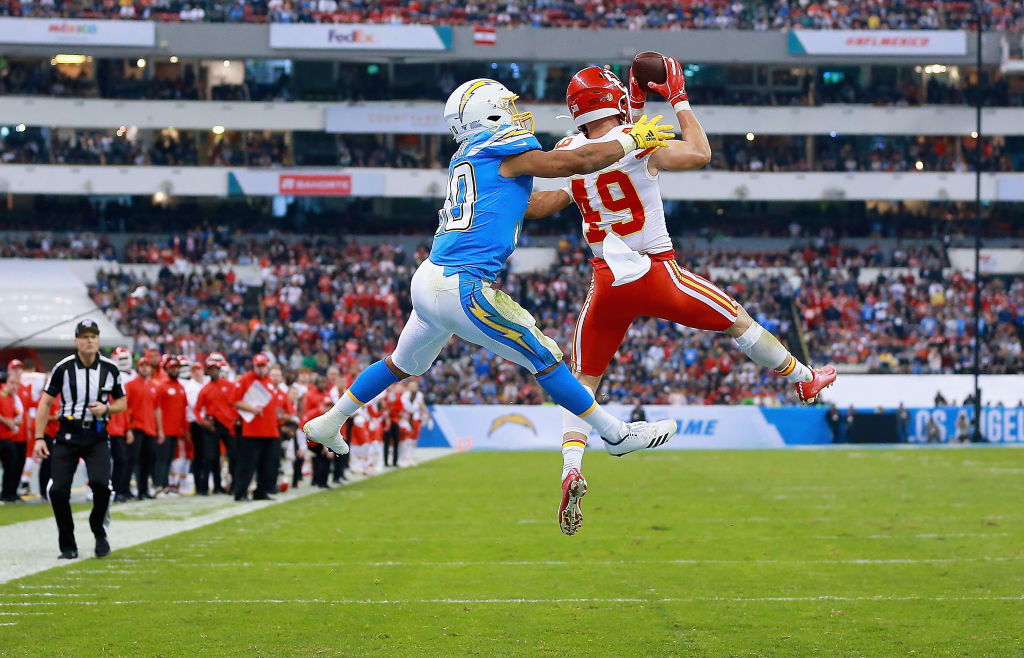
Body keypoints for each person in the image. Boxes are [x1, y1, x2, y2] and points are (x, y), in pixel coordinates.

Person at [523, 61, 836, 535]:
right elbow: (698, 153)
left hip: (607, 280)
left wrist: (498, 199)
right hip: (656, 271)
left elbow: (544, 204)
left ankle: (571, 466)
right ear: (610, 100)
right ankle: (804, 378)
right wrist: (679, 98)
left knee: (582, 380)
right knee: (738, 321)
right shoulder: (637, 141)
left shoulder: (569, 151)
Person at [303, 78, 680, 472]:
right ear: (490, 114)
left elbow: (529, 202)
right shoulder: (503, 147)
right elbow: (571, 162)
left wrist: (573, 192)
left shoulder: (469, 155)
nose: (516, 114)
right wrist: (630, 140)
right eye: (507, 106)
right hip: (461, 285)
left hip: (429, 277)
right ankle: (615, 433)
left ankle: (330, 420)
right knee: (545, 356)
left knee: (401, 363)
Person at [32, 319, 126, 559]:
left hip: (96, 435)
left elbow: (122, 402)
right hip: (68, 434)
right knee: (58, 490)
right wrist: (39, 437)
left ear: (98, 340)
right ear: (76, 341)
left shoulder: (110, 369)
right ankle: (68, 543)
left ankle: (99, 530)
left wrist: (106, 409)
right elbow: (45, 402)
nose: (89, 340)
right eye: (85, 336)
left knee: (101, 485)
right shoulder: (63, 368)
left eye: (93, 336)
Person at [232, 354, 279, 501]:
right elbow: (235, 400)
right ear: (254, 366)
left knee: (267, 465)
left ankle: (261, 491)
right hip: (252, 430)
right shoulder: (245, 379)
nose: (261, 369)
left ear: (267, 366)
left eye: (263, 366)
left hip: (269, 430)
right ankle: (240, 492)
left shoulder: (269, 381)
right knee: (247, 464)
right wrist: (252, 409)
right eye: (258, 366)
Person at [194, 355, 236, 495]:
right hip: (212, 425)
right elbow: (197, 410)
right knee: (209, 457)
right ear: (208, 371)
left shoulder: (229, 385)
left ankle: (234, 485)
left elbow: (236, 402)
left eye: (215, 369)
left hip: (228, 425)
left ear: (219, 370)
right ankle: (206, 487)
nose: (214, 372)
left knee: (233, 455)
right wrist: (203, 422)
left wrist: (235, 419)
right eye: (211, 369)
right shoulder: (205, 389)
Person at [124, 357, 161, 500]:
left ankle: (143, 490)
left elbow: (157, 408)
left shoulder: (154, 386)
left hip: (150, 428)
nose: (145, 368)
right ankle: (125, 490)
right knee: (132, 460)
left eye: (147, 365)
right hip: (136, 427)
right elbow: (124, 407)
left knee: (147, 461)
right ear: (138, 368)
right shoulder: (130, 385)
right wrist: (128, 427)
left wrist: (160, 429)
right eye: (142, 365)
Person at [155, 357, 188, 496]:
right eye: (172, 368)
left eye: (177, 368)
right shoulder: (162, 386)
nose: (175, 370)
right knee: (161, 459)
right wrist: (160, 429)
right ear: (167, 369)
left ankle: (165, 485)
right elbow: (157, 408)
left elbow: (183, 410)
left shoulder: (181, 387)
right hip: (164, 429)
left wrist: (184, 429)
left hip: (175, 430)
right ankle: (158, 485)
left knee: (169, 459)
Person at [107, 347, 134, 503]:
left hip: (119, 428)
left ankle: (120, 490)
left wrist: (127, 428)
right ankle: (112, 491)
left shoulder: (121, 384)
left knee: (123, 460)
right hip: (108, 427)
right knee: (107, 461)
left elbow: (123, 408)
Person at [0, 370, 24, 503]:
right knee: (10, 465)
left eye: (17, 384)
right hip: (2, 436)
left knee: (12, 465)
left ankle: (8, 493)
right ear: (6, 383)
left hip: (7, 436)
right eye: (12, 383)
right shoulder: (2, 395)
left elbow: (14, 415)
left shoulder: (11, 398)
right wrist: (6, 421)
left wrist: (15, 421)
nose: (14, 386)